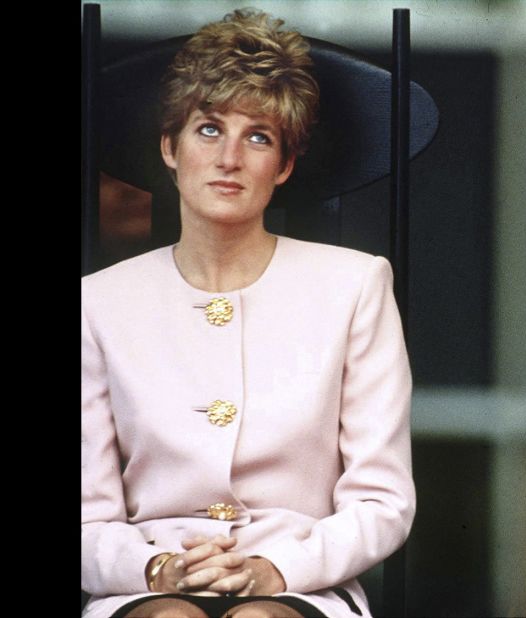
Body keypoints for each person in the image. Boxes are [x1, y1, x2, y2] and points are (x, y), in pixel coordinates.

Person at [81, 10, 415, 618]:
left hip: (301, 580)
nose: (230, 157)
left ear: (283, 165)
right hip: (144, 581)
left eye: (258, 136)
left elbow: (383, 501)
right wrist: (157, 569)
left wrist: (276, 571)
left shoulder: (356, 284)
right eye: (209, 129)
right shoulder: (97, 302)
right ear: (170, 148)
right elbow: (85, 513)